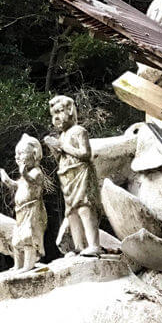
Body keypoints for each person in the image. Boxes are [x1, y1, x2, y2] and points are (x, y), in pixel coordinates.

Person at [43, 95, 102, 257]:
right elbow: (60, 158)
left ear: (69, 111)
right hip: (67, 177)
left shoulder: (79, 131)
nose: (56, 117)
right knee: (71, 213)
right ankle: (79, 247)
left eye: (60, 111)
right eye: (54, 113)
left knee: (85, 208)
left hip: (81, 174)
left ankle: (94, 245)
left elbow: (85, 154)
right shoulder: (62, 136)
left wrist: (62, 146)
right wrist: (54, 147)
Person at [0, 135, 48, 271]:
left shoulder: (37, 172)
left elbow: (31, 181)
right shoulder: (25, 176)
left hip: (32, 210)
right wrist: (7, 180)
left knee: (29, 239)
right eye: (16, 154)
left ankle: (28, 265)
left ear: (34, 154)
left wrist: (24, 173)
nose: (17, 157)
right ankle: (18, 265)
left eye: (21, 153)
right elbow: (17, 185)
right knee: (16, 240)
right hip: (21, 211)